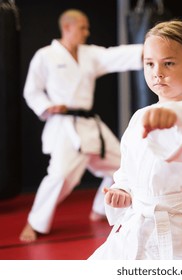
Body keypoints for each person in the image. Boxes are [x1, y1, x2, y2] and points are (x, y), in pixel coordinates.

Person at [88, 20, 182, 260]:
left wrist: (174, 115)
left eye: (169, 63)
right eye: (149, 64)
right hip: (139, 226)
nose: (157, 73)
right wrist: (123, 189)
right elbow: (128, 170)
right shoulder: (140, 117)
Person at [20, 9, 143, 243]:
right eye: (82, 28)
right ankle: (34, 222)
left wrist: (149, 48)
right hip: (65, 126)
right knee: (60, 175)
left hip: (90, 124)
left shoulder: (89, 54)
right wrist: (47, 105)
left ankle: (100, 208)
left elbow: (114, 56)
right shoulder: (45, 56)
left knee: (122, 165)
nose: (87, 32)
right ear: (67, 27)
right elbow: (31, 90)